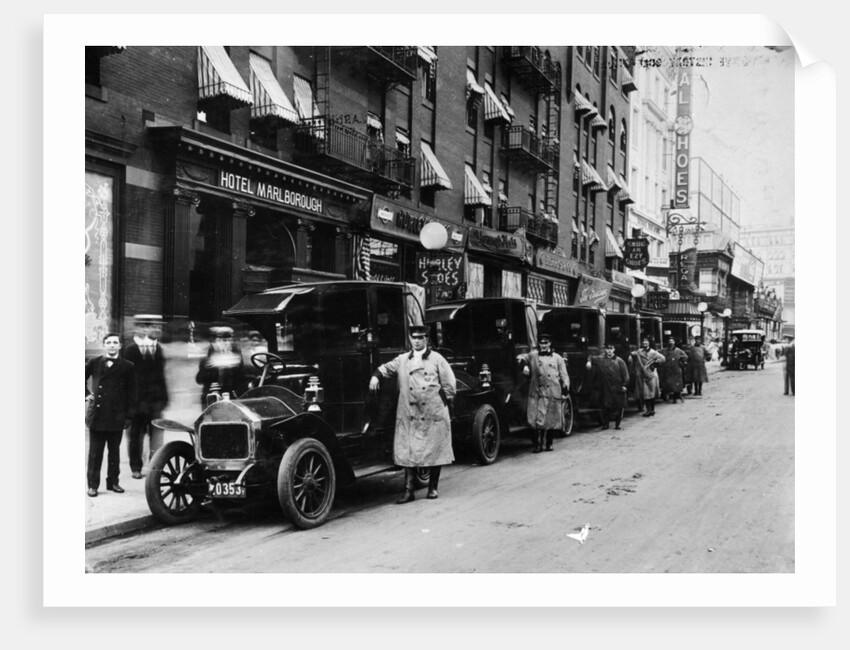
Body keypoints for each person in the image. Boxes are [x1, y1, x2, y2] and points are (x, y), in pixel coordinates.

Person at [369, 325, 456, 503]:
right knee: (408, 451)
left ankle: (433, 488)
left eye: (420, 338)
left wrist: (441, 402)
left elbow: (449, 384)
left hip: (432, 411)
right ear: (410, 339)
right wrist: (376, 376)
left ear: (426, 339)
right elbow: (386, 368)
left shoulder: (437, 359)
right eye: (414, 338)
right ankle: (408, 491)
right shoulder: (402, 359)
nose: (416, 341)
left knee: (434, 449)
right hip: (409, 412)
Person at [85, 333, 137, 497]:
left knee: (114, 452)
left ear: (120, 345)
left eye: (115, 342)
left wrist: (129, 415)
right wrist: (86, 393)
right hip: (98, 415)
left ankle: (113, 482)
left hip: (117, 415)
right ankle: (93, 485)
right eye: (109, 342)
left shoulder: (128, 366)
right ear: (104, 344)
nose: (112, 345)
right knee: (95, 452)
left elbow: (132, 392)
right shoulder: (94, 362)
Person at [122, 314, 169, 479]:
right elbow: (126, 378)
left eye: (149, 326)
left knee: (157, 436)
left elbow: (162, 375)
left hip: (155, 402)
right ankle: (136, 467)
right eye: (142, 326)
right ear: (136, 328)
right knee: (135, 437)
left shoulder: (158, 349)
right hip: (136, 403)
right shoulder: (130, 350)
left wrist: (164, 399)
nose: (146, 329)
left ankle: (155, 466)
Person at [516, 332, 570, 452]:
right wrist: (524, 366)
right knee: (534, 420)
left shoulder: (557, 358)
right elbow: (520, 357)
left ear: (550, 343)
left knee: (550, 420)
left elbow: (564, 375)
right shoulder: (533, 356)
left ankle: (549, 443)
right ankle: (537, 444)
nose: (543, 345)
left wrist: (565, 390)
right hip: (536, 392)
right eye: (541, 342)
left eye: (546, 342)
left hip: (552, 391)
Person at [196, 325, 247, 406]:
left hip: (231, 397)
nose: (224, 343)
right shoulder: (207, 354)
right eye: (221, 339)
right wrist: (208, 367)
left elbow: (241, 379)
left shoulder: (236, 353)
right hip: (211, 396)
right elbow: (199, 379)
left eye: (227, 339)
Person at [586, 342, 629, 430]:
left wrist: (624, 385)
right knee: (606, 406)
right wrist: (589, 362)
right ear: (605, 350)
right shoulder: (601, 359)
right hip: (606, 387)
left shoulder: (619, 361)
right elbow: (591, 357)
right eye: (607, 349)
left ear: (614, 350)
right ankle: (606, 424)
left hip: (618, 387)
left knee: (619, 406)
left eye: (611, 349)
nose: (609, 351)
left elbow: (626, 375)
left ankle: (618, 424)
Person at [631, 337, 666, 417]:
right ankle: (648, 410)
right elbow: (632, 358)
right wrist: (632, 355)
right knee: (645, 393)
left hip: (651, 375)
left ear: (649, 343)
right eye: (643, 342)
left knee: (651, 393)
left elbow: (663, 358)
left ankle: (652, 410)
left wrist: (655, 364)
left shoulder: (653, 352)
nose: (644, 343)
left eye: (646, 342)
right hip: (643, 375)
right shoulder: (639, 351)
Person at [660, 336, 688, 403]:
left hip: (676, 370)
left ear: (674, 343)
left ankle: (675, 398)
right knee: (667, 383)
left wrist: (681, 362)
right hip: (667, 370)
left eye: (672, 342)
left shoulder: (678, 350)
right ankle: (665, 395)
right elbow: (658, 355)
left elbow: (685, 357)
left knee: (676, 384)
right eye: (670, 342)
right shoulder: (664, 350)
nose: (671, 343)